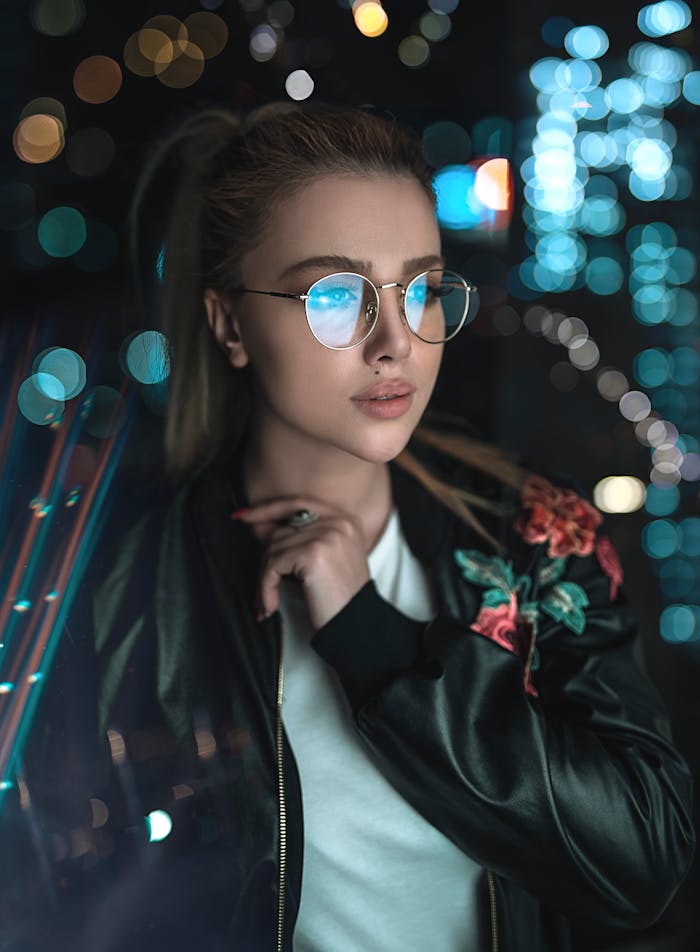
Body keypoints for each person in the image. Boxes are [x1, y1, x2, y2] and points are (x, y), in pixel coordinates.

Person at [1, 101, 695, 952]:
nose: (395, 341)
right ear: (230, 324)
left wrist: (373, 640)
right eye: (335, 294)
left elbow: (644, 861)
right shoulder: (122, 590)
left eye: (422, 290)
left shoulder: (537, 540)